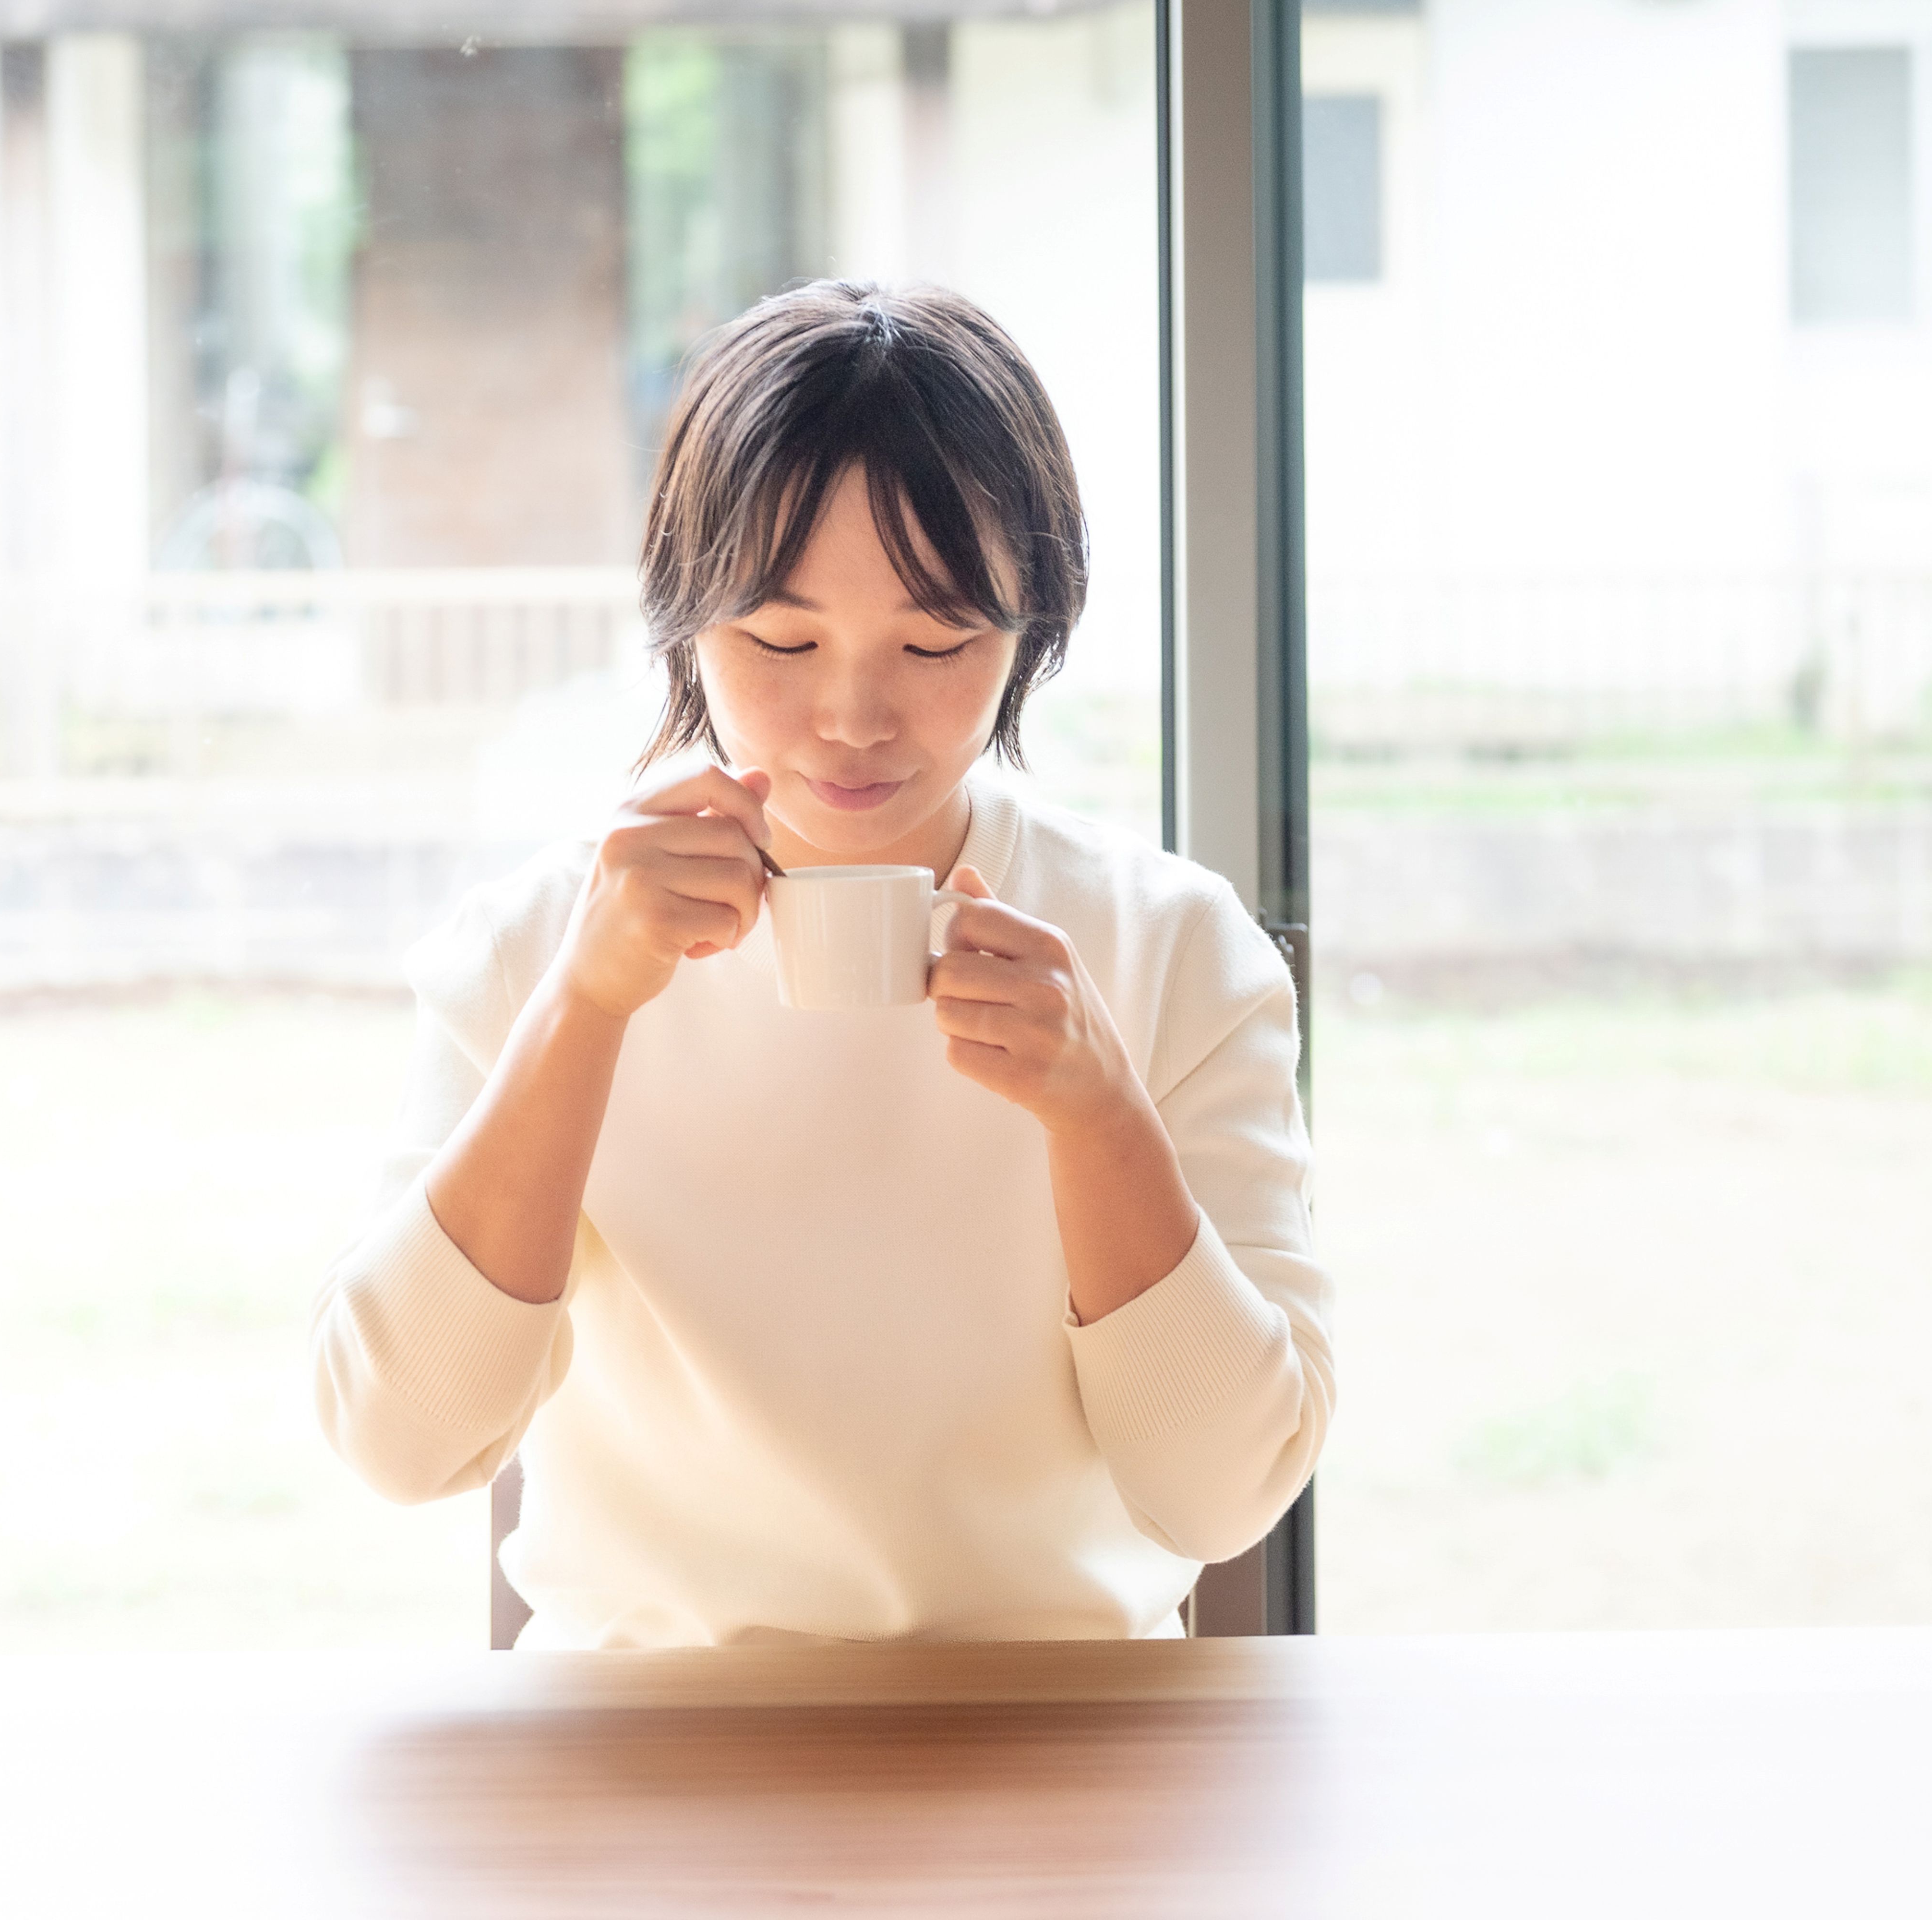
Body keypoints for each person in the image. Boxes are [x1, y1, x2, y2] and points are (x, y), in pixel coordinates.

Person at [311, 282, 1332, 1647]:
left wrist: (1099, 1113)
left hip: (1053, 1749)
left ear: (1036, 627)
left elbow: (1222, 1496)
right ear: (682, 621)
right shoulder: (535, 949)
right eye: (782, 641)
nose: (853, 715)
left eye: (935, 643)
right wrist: (585, 1008)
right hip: (647, 1755)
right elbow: (401, 1443)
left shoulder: (1169, 949)